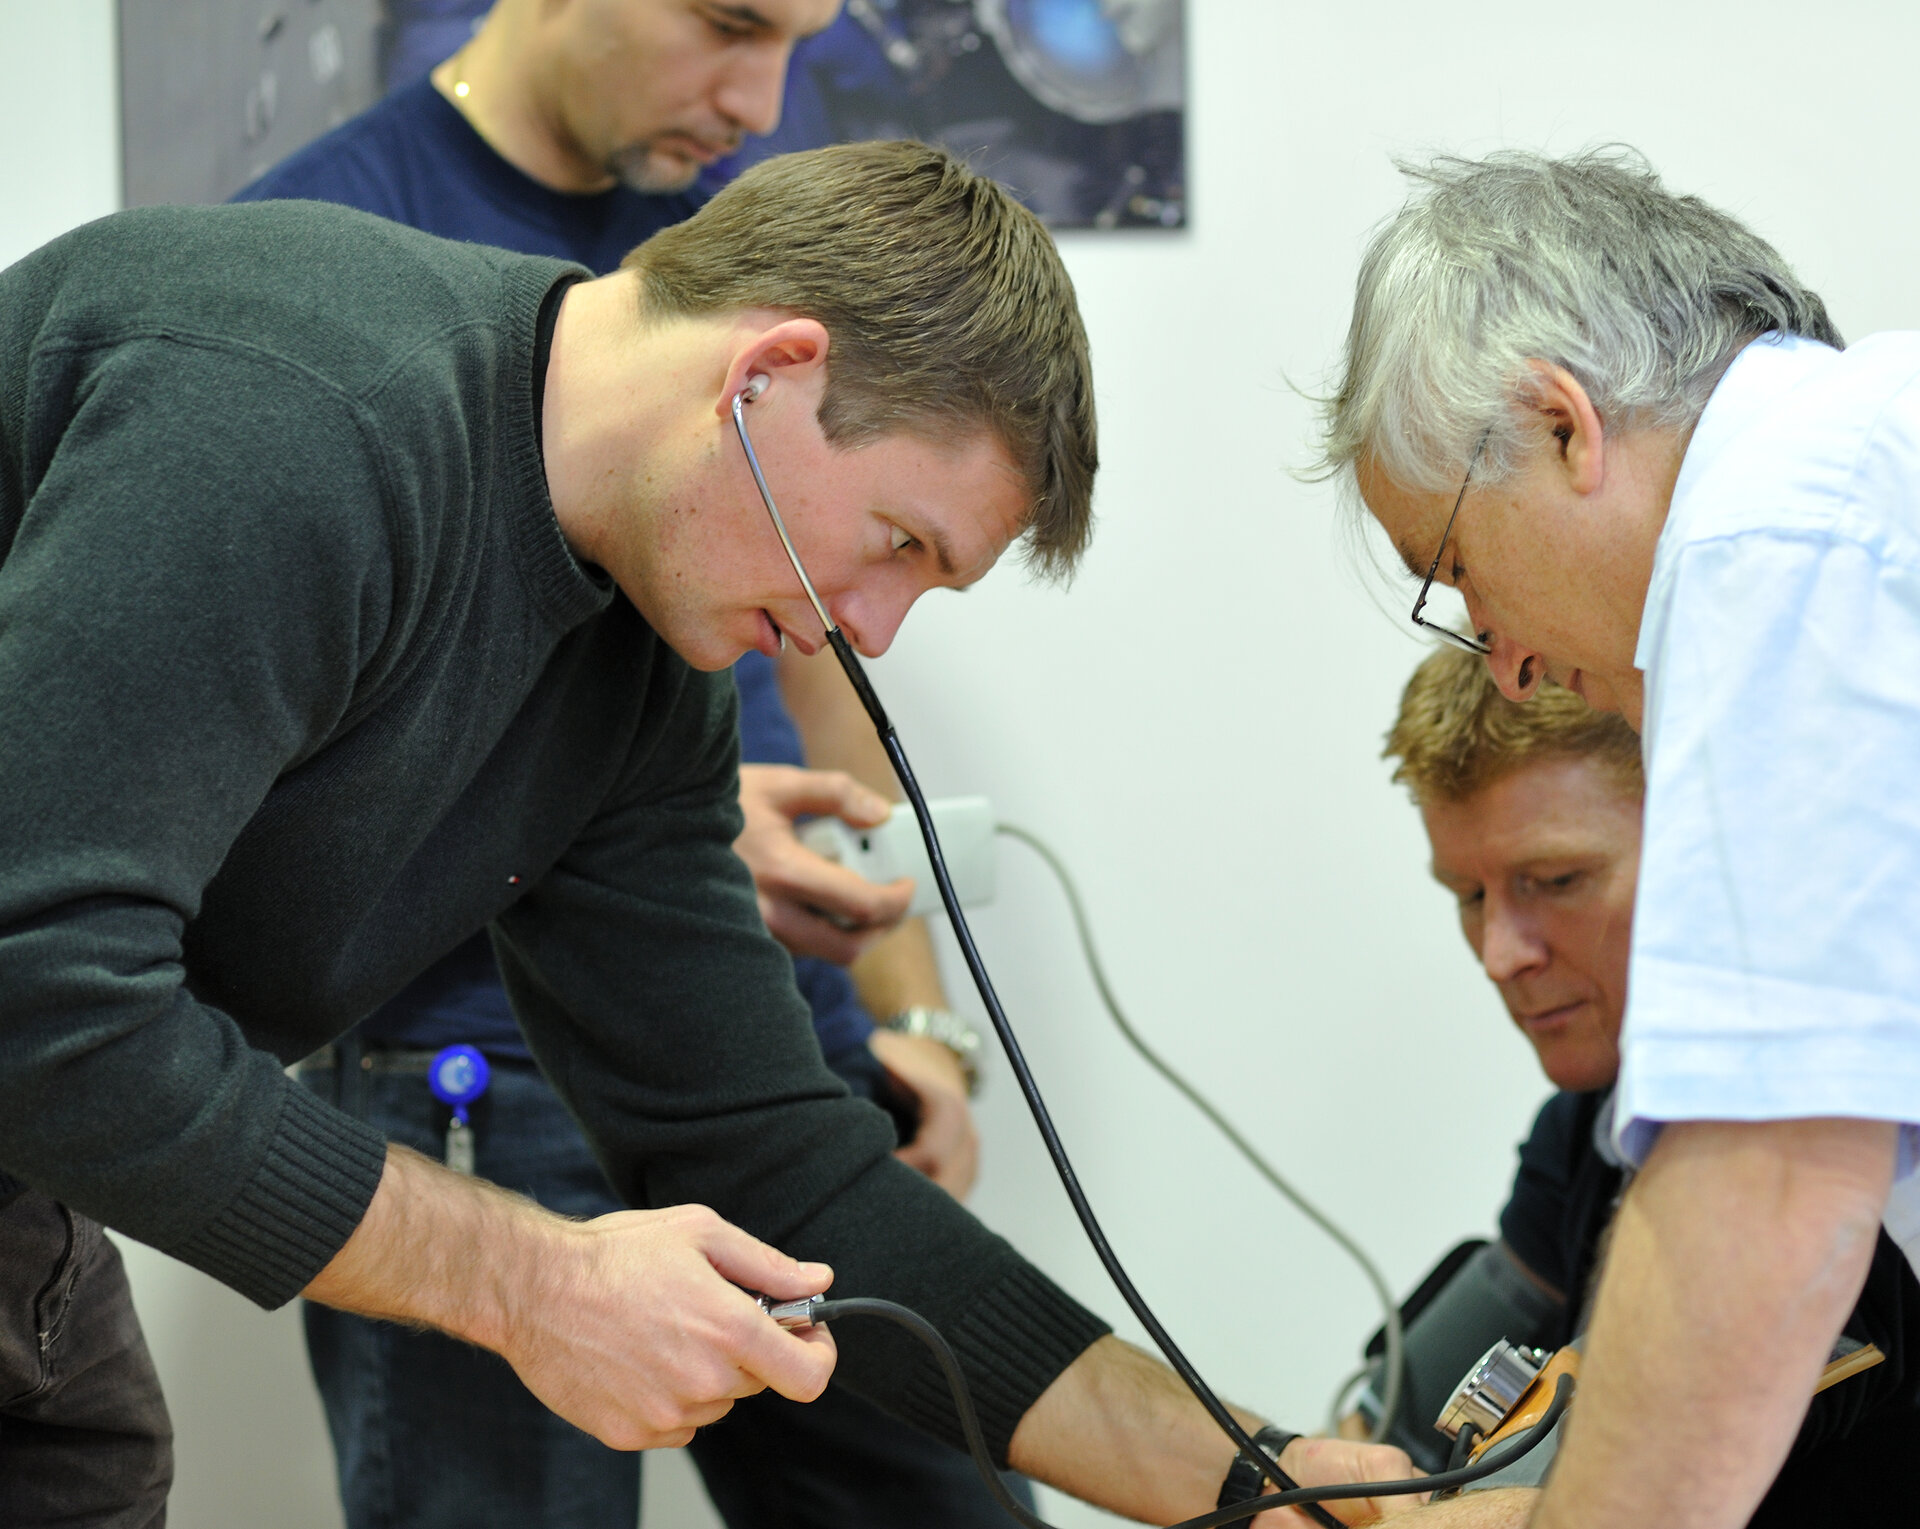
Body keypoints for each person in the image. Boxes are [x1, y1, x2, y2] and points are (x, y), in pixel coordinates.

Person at [0, 142, 1414, 1528]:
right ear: (766, 378)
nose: (867, 629)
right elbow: (37, 997)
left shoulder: (637, 665)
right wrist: (532, 1283)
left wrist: (1261, 1478)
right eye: (899, 545)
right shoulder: (299, 414)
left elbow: (759, 1153)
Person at [231, 3, 1006, 1522]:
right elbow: (286, 777)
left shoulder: (743, 239)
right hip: (478, 1085)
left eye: (803, 37)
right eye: (731, 26)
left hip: (763, 1049)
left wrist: (913, 1007)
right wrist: (701, 827)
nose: (763, 95)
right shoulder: (322, 257)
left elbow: (827, 654)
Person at [1316, 146, 1920, 1529]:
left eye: (1458, 572)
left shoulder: (1778, 531)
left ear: (1560, 425)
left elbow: (1765, 1180)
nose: (1506, 665)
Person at [1354, 647, 1919, 1523]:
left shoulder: (1842, 1140)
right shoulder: (1584, 1128)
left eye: (1555, 881)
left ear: (1706, 848)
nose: (1503, 953)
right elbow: (1384, 1436)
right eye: (1469, 894)